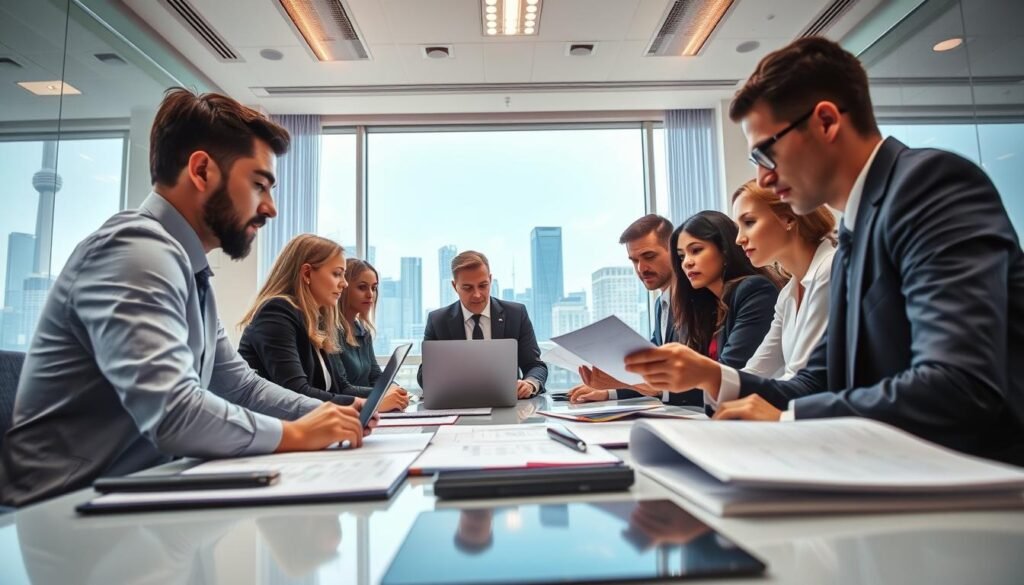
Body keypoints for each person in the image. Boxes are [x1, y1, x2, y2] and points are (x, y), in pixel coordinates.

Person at [625, 37, 1024, 465]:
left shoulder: (929, 185)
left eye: (766, 151)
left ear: (827, 121)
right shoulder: (857, 227)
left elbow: (958, 384)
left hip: (981, 482)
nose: (762, 177)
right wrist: (711, 375)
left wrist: (787, 421)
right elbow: (818, 381)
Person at [0, 89, 371, 507]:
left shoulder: (188, 270)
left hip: (139, 498)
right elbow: (174, 412)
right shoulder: (133, 251)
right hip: (60, 517)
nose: (271, 208)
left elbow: (240, 387)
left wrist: (328, 416)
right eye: (258, 185)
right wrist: (295, 433)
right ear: (201, 171)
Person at [238, 235, 403, 411]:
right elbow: (296, 392)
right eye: (337, 274)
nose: (344, 284)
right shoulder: (277, 311)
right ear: (307, 273)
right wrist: (370, 405)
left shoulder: (316, 320)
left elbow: (338, 388)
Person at [568, 214, 700, 405]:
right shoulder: (660, 306)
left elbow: (673, 381)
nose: (641, 268)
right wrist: (610, 392)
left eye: (649, 256)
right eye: (634, 260)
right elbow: (653, 376)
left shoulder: (696, 301)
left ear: (674, 251)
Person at [728, 180, 836, 384]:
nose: (739, 239)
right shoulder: (788, 293)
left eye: (749, 222)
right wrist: (708, 380)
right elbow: (757, 368)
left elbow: (801, 378)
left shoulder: (830, 270)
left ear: (788, 218)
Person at [417, 250, 547, 398]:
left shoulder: (516, 314)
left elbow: (535, 365)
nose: (477, 294)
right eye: (468, 288)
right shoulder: (437, 320)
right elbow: (424, 375)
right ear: (455, 286)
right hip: (457, 403)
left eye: (483, 285)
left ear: (490, 280)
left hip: (507, 405)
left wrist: (530, 383)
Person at [336, 258, 409, 411]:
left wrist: (396, 389)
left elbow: (375, 376)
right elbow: (342, 388)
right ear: (344, 287)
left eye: (374, 288)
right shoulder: (330, 332)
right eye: (362, 287)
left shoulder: (363, 331)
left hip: (371, 410)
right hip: (352, 410)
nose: (370, 294)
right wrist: (383, 394)